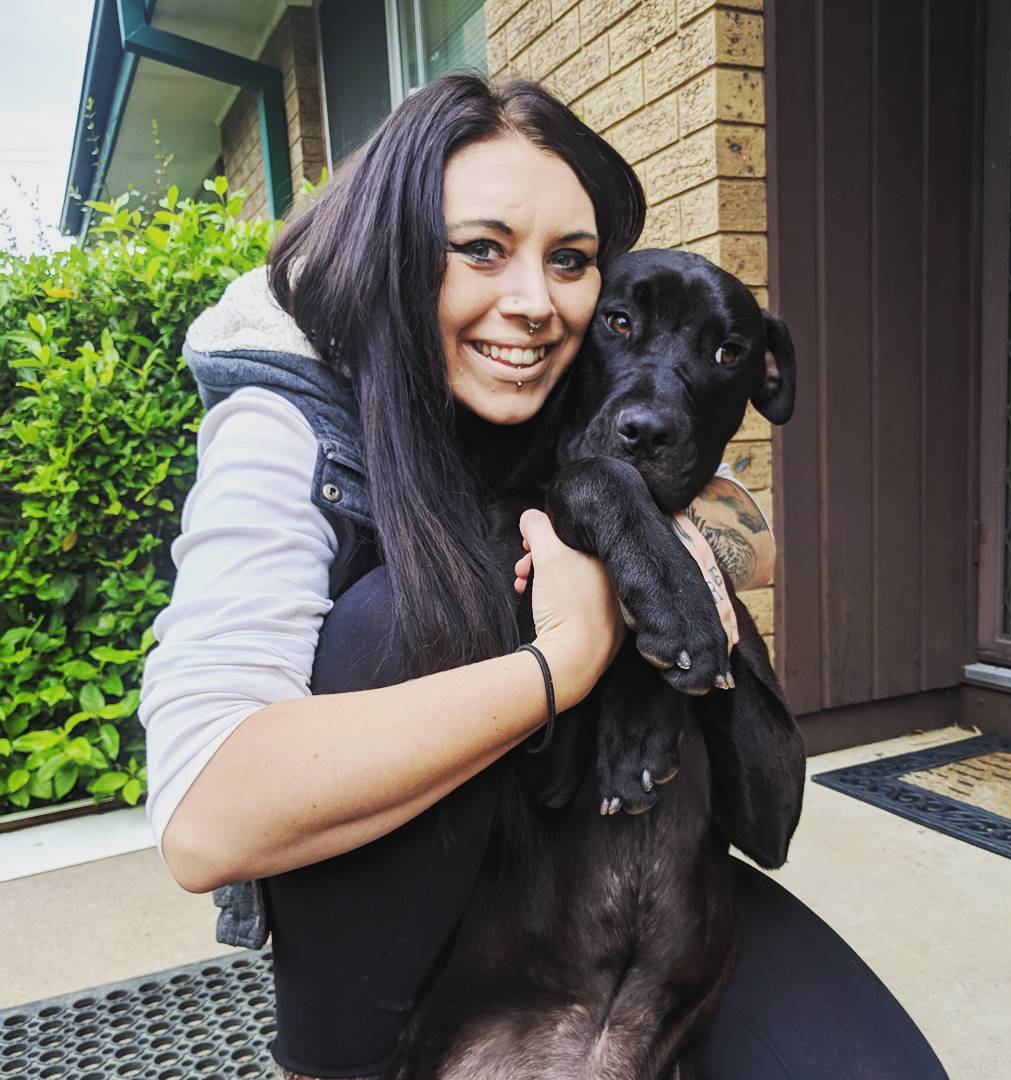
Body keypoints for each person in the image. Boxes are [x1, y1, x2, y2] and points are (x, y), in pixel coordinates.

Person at [139, 74, 947, 1080]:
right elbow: (205, 822)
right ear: (395, 252)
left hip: (598, 865)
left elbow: (752, 536)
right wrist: (569, 654)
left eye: (569, 260)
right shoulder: (288, 409)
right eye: (481, 248)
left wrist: (658, 531)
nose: (531, 303)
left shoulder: (578, 362)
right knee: (396, 614)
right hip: (409, 884)